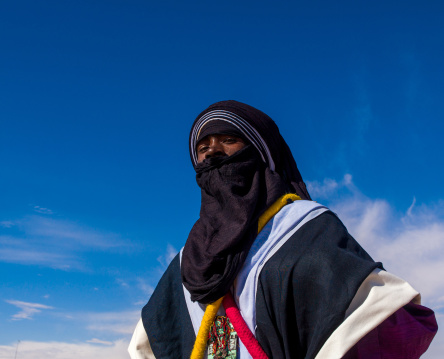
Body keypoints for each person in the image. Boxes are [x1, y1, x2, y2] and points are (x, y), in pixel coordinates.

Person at [128, 100, 438, 359]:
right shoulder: (188, 262)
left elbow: (383, 327)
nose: (212, 153)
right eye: (203, 147)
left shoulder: (302, 228)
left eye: (229, 140)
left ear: (262, 154)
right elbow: (151, 344)